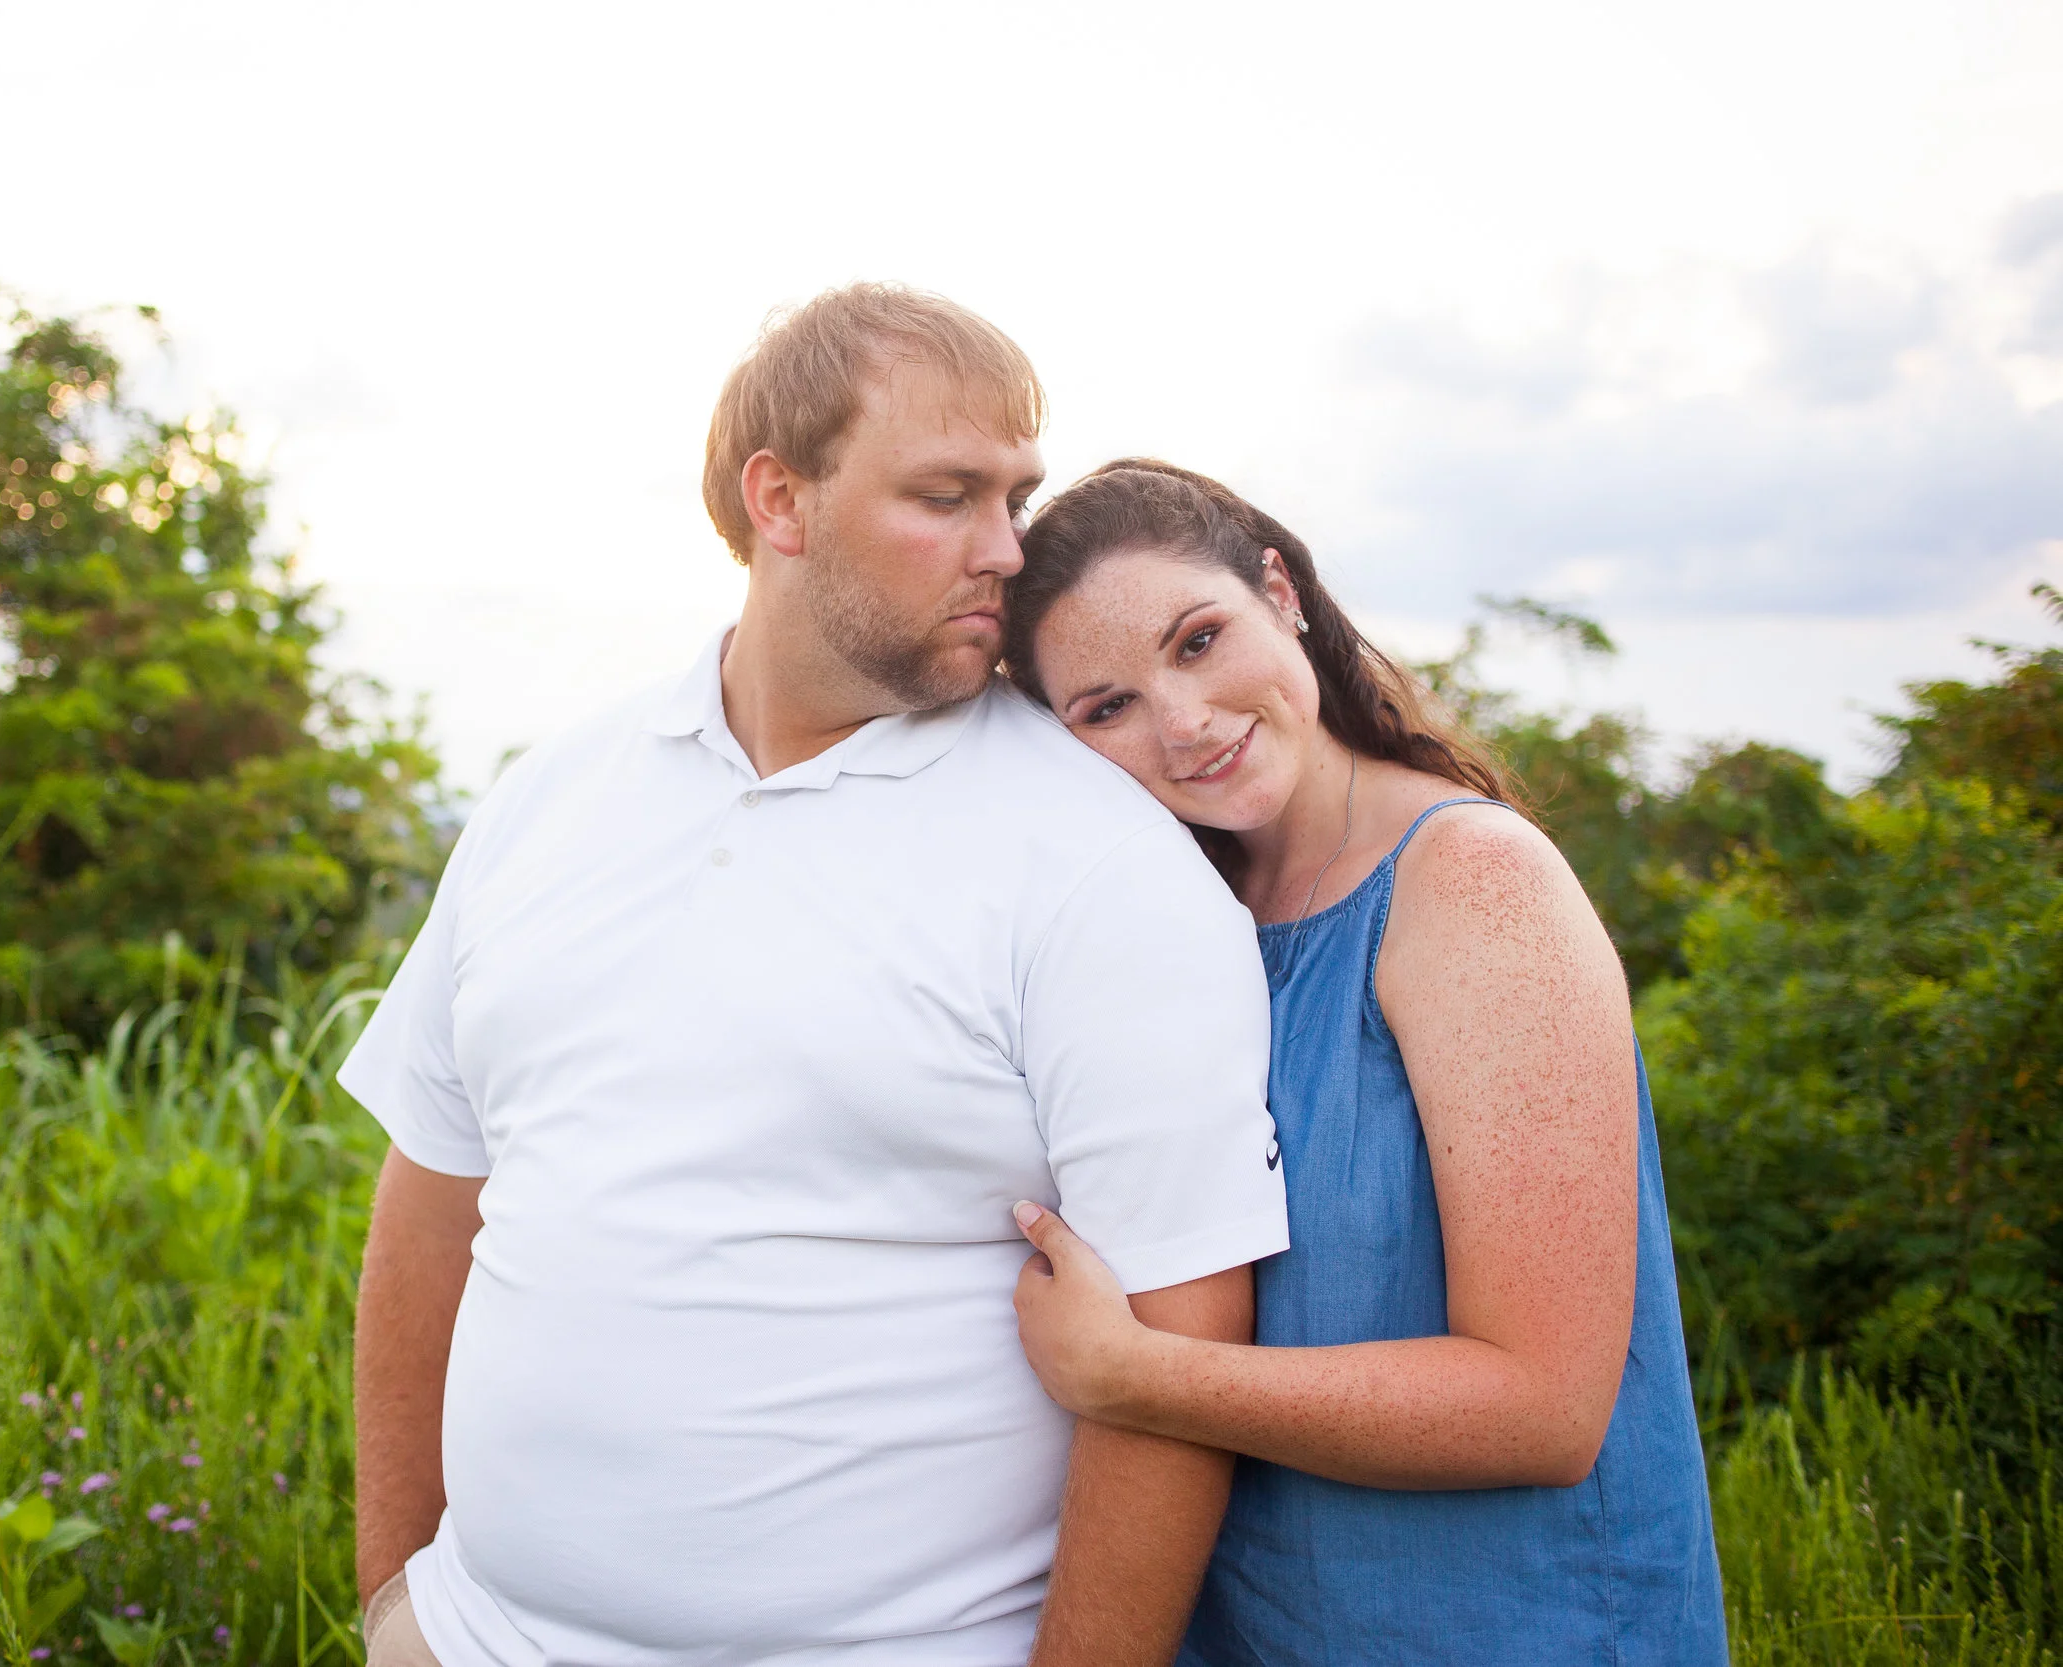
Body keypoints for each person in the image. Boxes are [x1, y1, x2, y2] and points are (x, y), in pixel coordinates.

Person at [339, 296, 1289, 1667]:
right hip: (478, 1635)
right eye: (947, 496)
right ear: (779, 498)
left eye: (1014, 495)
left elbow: (1185, 1332)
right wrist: (396, 1598)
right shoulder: (550, 796)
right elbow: (432, 1201)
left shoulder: (1102, 859)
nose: (1007, 550)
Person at [998, 460, 1727, 1666]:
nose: (1183, 721)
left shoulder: (1469, 883)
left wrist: (1129, 1373)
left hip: (1506, 1630)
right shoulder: (1184, 921)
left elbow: (1542, 1407)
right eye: (1105, 706)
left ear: (1279, 590)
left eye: (1198, 639)